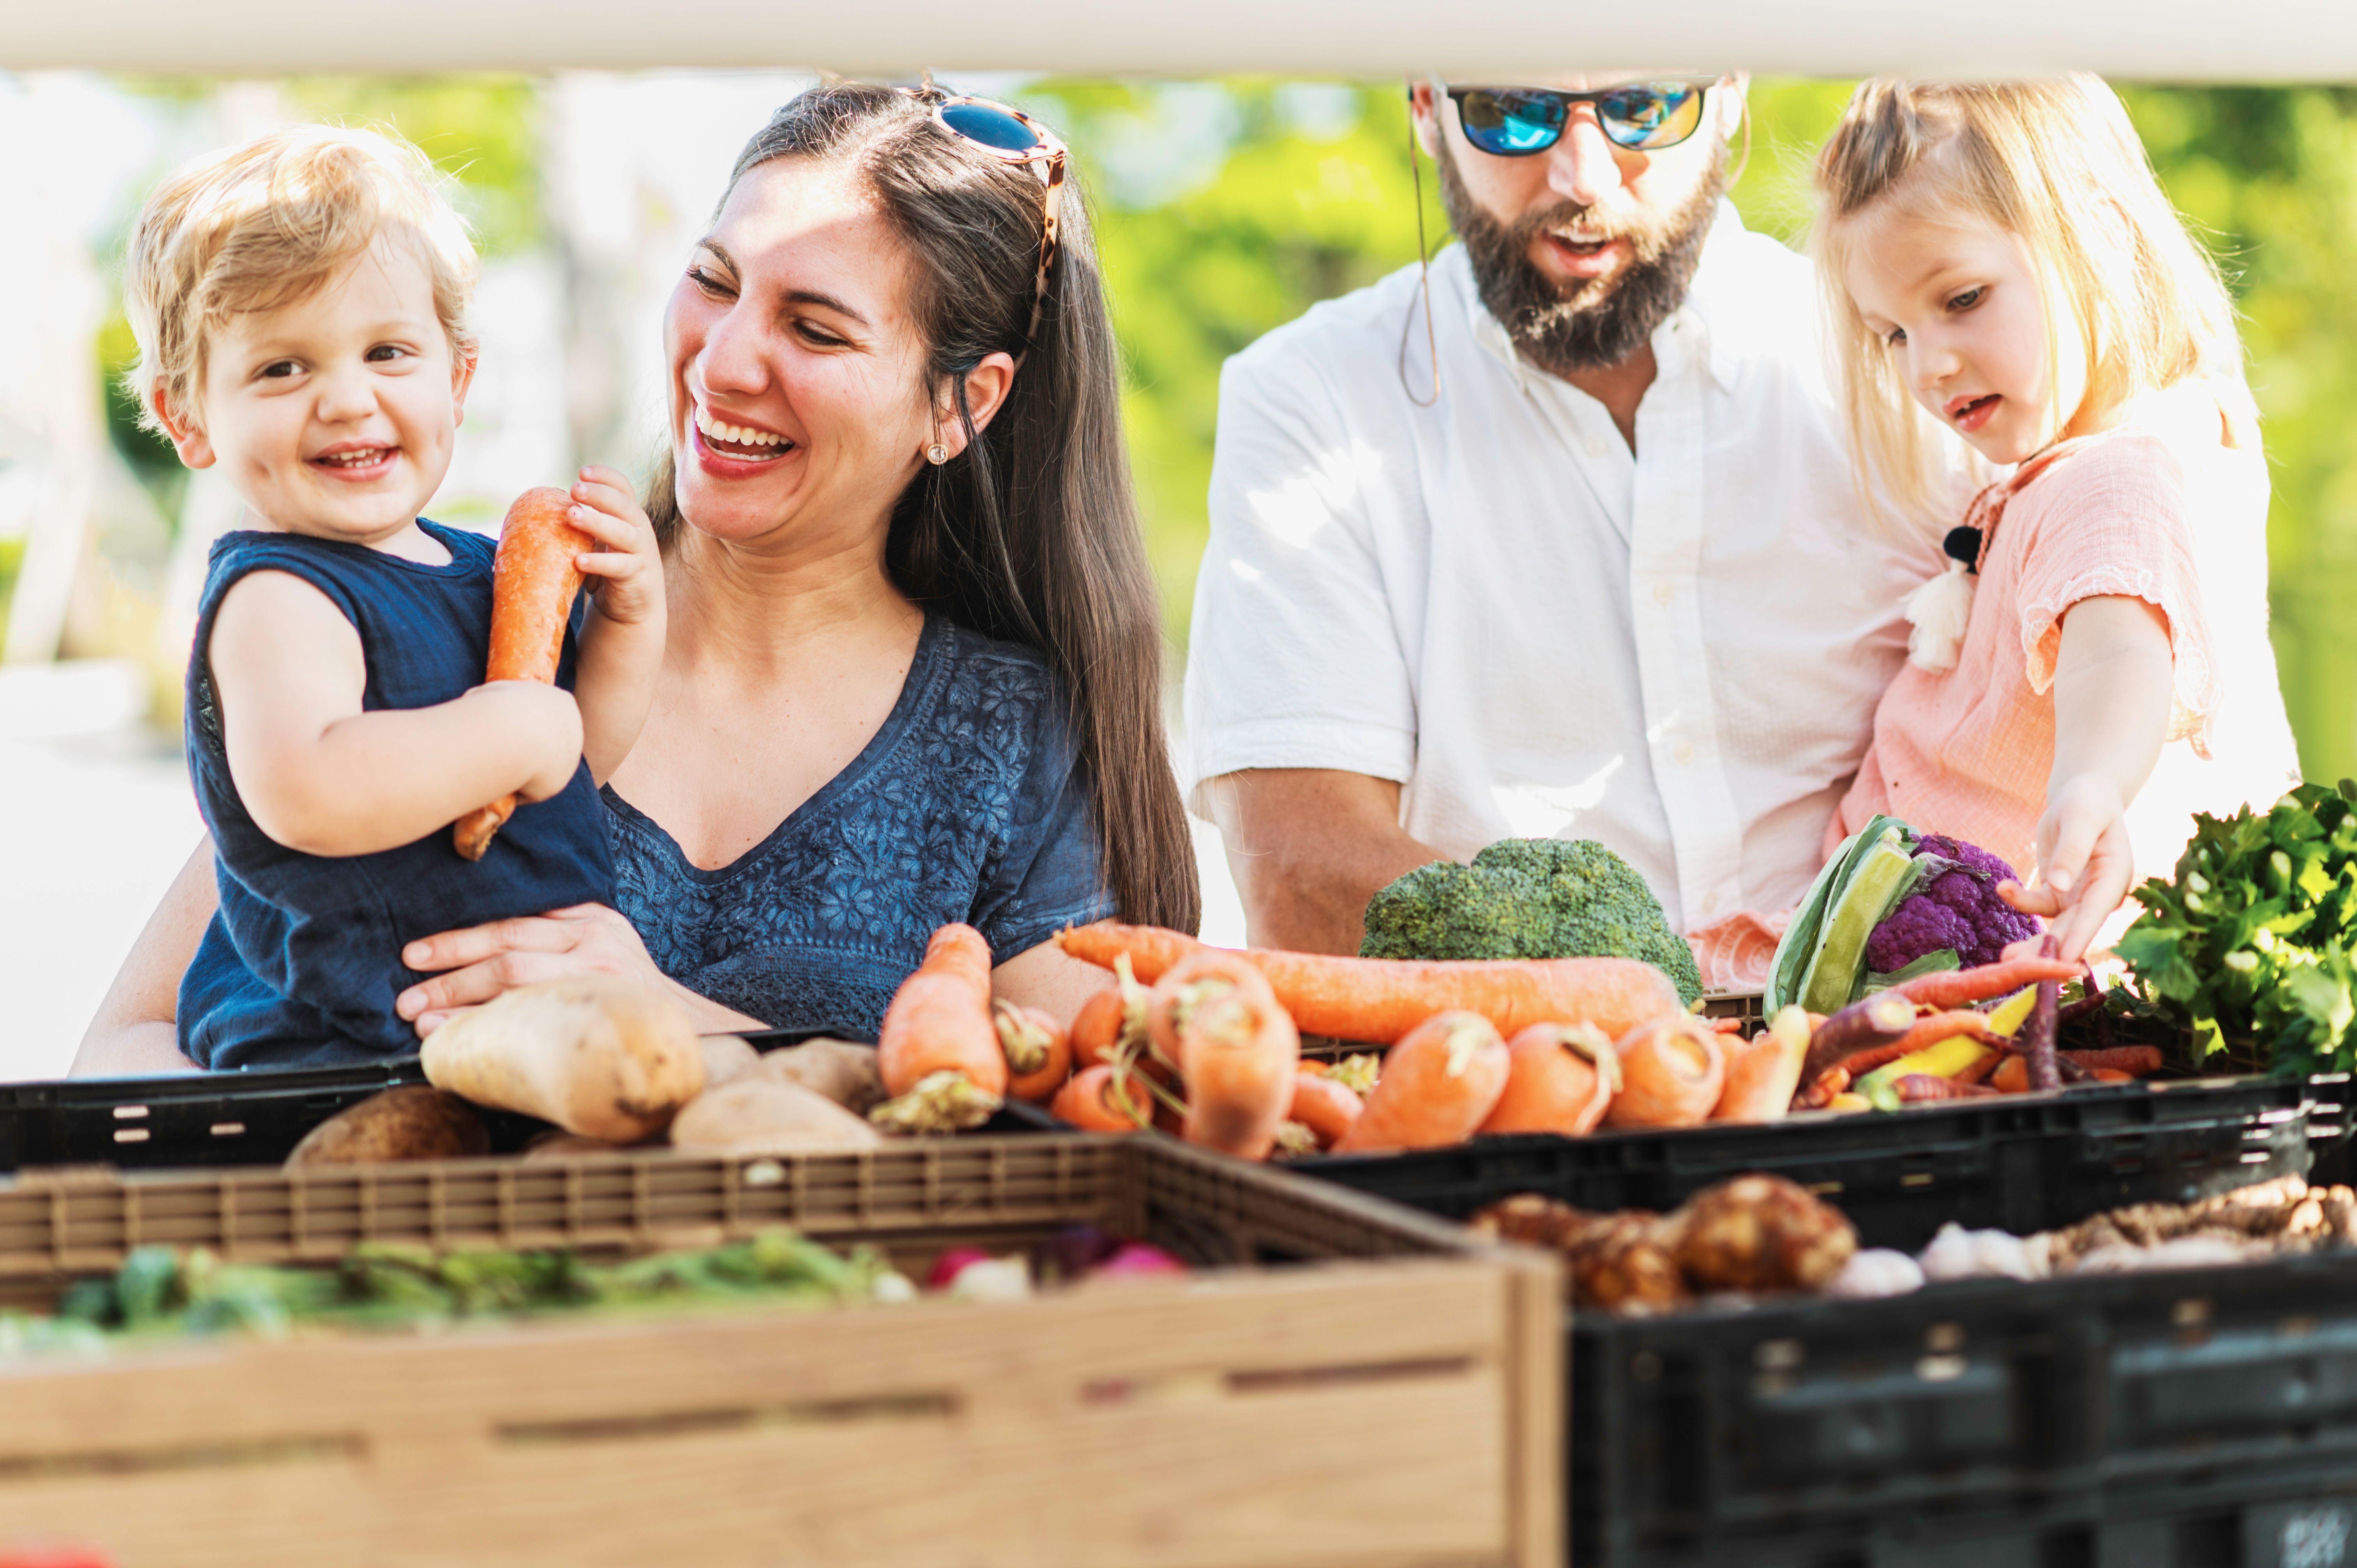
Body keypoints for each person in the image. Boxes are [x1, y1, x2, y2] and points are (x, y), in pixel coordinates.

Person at [73, 83, 1196, 1075]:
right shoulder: (475, 613)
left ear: (965, 404)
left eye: (815, 328)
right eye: (714, 281)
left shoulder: (1005, 737)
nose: (723, 360)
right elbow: (122, 1047)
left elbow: (1081, 1123)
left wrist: (688, 1030)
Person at [1184, 73, 1958, 981]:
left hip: (1889, 1072)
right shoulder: (1313, 395)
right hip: (1503, 1089)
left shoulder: (1901, 351)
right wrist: (1636, 1019)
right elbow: (1302, 874)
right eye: (1513, 111)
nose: (1582, 178)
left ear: (1733, 94)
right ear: (1427, 107)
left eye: (1646, 106)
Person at [121, 125, 664, 1070]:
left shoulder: (483, 569)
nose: (345, 399)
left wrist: (628, 623)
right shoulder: (279, 595)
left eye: (386, 352)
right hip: (332, 1042)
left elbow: (573, 762)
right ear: (189, 418)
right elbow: (311, 789)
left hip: (502, 1028)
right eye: (282, 367)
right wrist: (517, 728)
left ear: (458, 378)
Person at [1812, 77, 2301, 960]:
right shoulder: (2082, 458)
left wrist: (2092, 781)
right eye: (1892, 333)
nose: (1928, 364)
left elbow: (2119, 639)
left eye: (1961, 299)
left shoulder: (2119, 476)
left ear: (2100, 240)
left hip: (2019, 971)